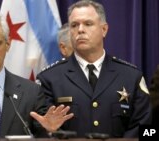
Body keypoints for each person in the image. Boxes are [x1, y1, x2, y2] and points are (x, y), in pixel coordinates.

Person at [36, 0, 151, 138]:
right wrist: (47, 131)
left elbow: (145, 129)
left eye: (88, 24)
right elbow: (40, 130)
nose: (80, 30)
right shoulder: (49, 79)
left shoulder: (131, 77)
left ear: (104, 29)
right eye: (74, 25)